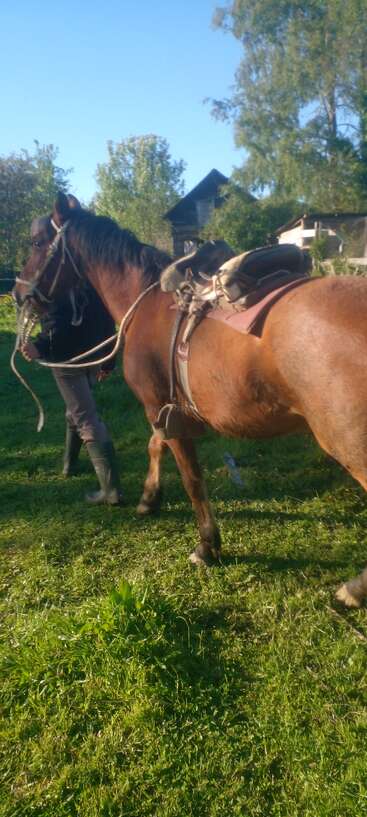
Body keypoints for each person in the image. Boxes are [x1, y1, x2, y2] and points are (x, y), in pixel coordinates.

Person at [20, 281, 122, 505]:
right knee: (75, 409)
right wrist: (108, 361)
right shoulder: (91, 280)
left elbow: (57, 324)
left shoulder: (57, 283)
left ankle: (111, 491)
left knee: (85, 417)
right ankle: (70, 463)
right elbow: (107, 323)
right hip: (93, 355)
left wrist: (40, 346)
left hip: (68, 361)